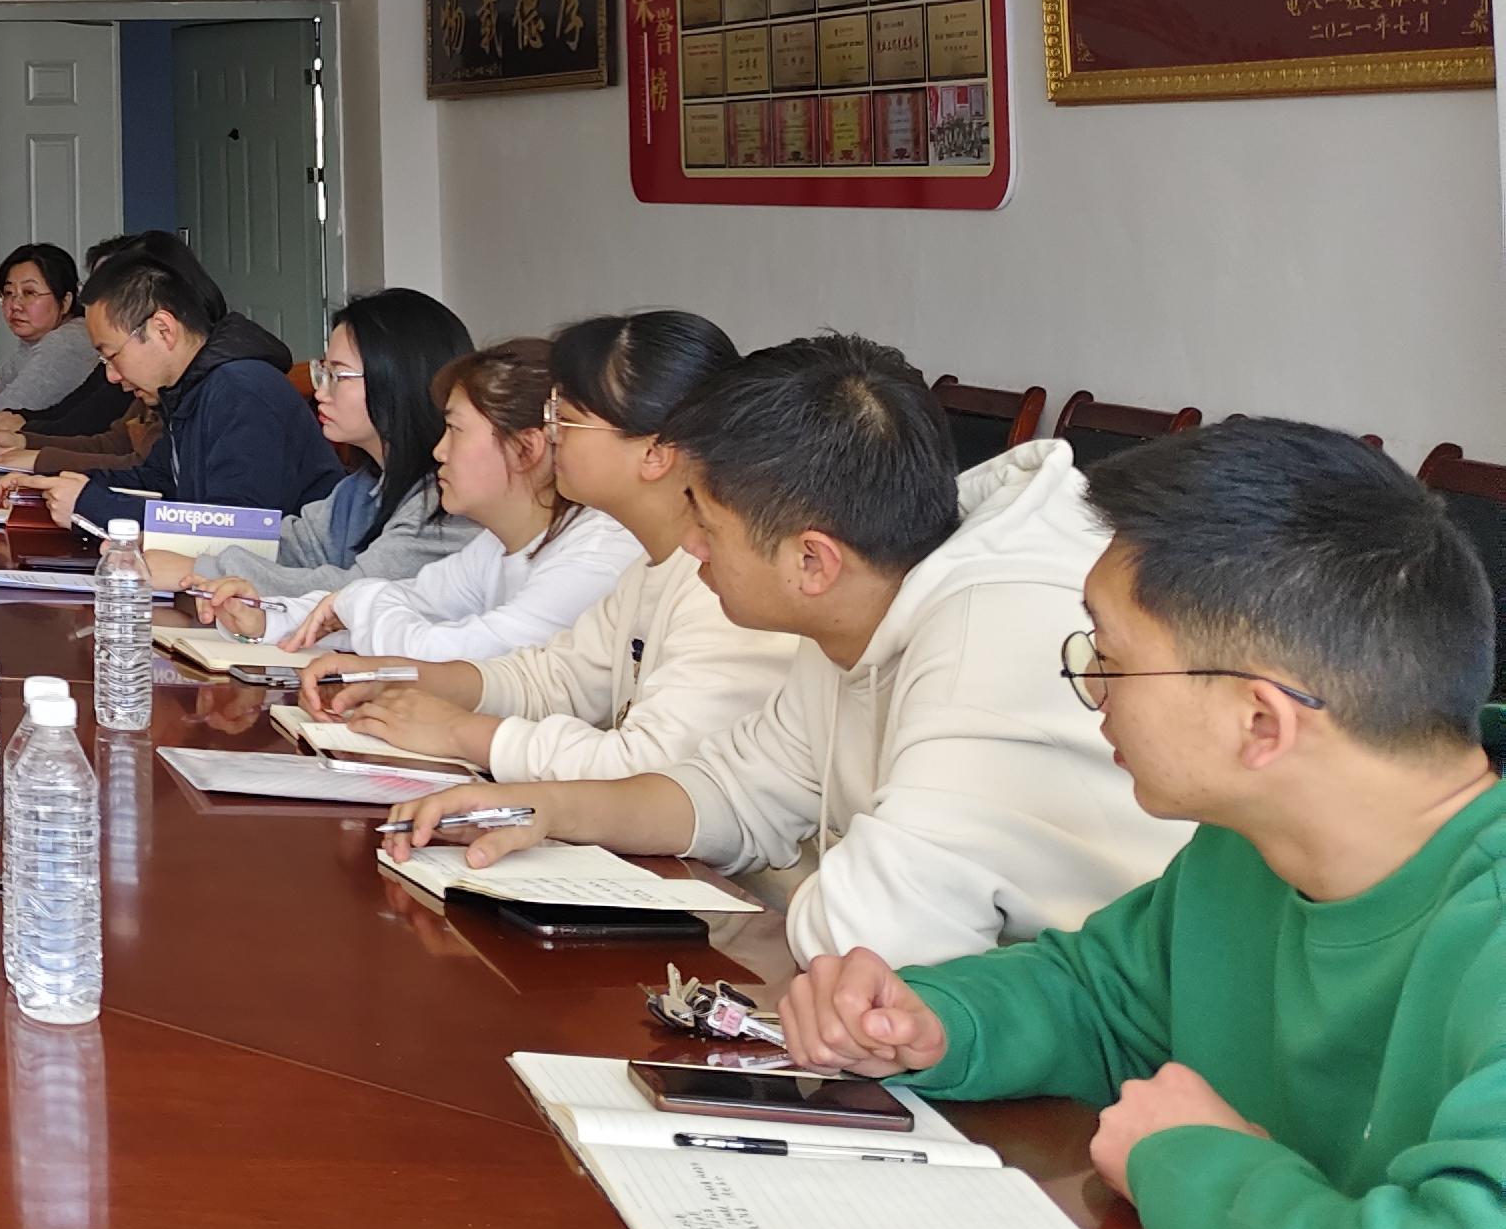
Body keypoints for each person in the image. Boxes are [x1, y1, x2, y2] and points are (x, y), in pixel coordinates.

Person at [777, 420, 1505, 1229]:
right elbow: (1102, 995)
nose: (1089, 691)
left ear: (1261, 722)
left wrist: (1185, 1160)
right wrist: (936, 1020)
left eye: (1108, 659)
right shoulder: (1244, 849)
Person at [386, 333, 1188, 963]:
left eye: (707, 523)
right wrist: (541, 808)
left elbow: (864, 939)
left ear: (812, 560)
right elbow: (734, 792)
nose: (689, 546)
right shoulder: (865, 595)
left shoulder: (987, 639)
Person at [298, 310, 803, 778]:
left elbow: (650, 766)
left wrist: (459, 731)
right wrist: (405, 678)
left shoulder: (727, 588)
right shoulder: (648, 567)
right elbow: (552, 679)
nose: (549, 436)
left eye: (567, 418)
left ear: (655, 453)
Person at [194, 336, 642, 661]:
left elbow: (461, 652)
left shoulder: (593, 557)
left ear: (526, 447)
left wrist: (358, 603)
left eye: (456, 431)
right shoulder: (496, 544)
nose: (439, 451)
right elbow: (414, 598)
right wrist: (267, 617)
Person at [0, 235, 340, 527]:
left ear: (163, 330)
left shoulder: (241, 389)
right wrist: (51, 486)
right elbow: (154, 481)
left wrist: (93, 505)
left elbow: (236, 529)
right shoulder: (190, 388)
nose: (110, 374)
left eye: (112, 355)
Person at [157, 286, 476, 600]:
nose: (320, 392)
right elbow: (291, 547)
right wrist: (160, 544)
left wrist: (199, 570)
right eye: (321, 371)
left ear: (398, 380)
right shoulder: (361, 489)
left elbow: (357, 594)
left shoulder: (449, 503)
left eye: (338, 375)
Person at [0, 244, 126, 443]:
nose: (14, 305)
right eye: (8, 293)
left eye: (30, 293)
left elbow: (5, 410)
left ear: (65, 301)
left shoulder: (67, 342)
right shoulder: (35, 340)